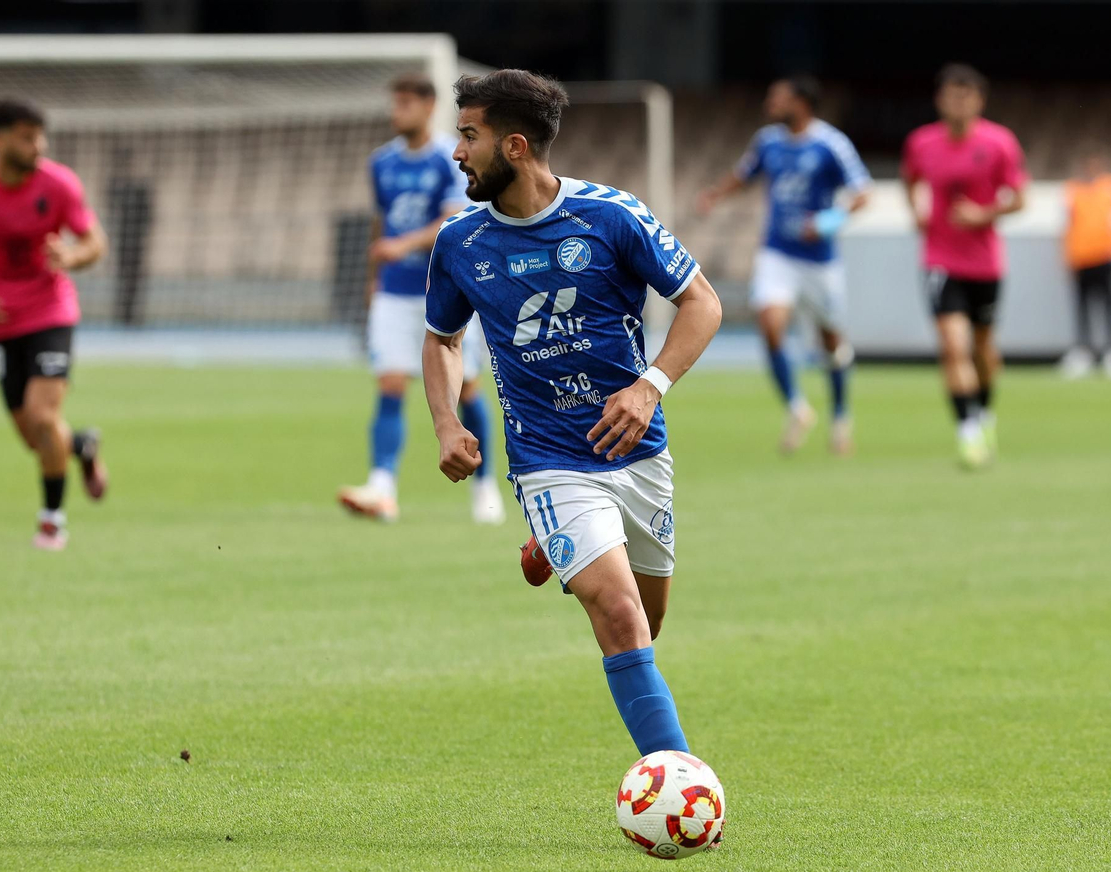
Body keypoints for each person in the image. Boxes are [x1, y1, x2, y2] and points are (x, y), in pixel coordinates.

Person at [422, 70, 724, 757]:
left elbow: (702, 301)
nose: (457, 151)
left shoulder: (611, 216)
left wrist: (649, 386)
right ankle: (674, 778)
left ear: (517, 146)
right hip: (548, 458)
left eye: (470, 135)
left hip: (636, 450)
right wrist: (446, 420)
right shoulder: (461, 242)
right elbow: (442, 339)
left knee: (647, 619)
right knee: (618, 614)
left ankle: (549, 545)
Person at [0, 99, 110, 551]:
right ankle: (82, 447)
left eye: (40, 136)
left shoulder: (60, 184)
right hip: (0, 322)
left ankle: (52, 521)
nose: (38, 146)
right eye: (28, 137)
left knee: (43, 417)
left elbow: (95, 242)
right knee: (35, 437)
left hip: (51, 313)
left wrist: (70, 257)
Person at [338, 73, 503, 525]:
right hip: (394, 292)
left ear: (429, 107)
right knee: (390, 383)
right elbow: (381, 221)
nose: (397, 113)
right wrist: (376, 277)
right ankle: (382, 486)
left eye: (406, 104)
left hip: (444, 292)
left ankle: (485, 485)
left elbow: (452, 220)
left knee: (466, 388)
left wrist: (402, 246)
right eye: (395, 104)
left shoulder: (450, 157)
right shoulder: (381, 162)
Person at [696, 75, 871, 456]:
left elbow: (862, 193)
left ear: (802, 103)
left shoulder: (831, 144)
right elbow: (745, 176)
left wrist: (828, 222)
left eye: (780, 97)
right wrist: (714, 195)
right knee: (771, 325)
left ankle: (841, 417)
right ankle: (797, 408)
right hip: (777, 252)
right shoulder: (768, 140)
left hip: (819, 261)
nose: (771, 103)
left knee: (831, 342)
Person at [901, 64, 1027, 469]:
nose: (957, 103)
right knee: (953, 345)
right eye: (951, 95)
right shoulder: (922, 142)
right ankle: (968, 431)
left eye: (966, 96)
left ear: (979, 101)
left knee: (983, 349)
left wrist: (983, 214)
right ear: (940, 100)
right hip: (940, 260)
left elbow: (1020, 199)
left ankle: (985, 413)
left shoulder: (999, 143)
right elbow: (910, 179)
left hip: (986, 263)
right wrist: (916, 212)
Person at [1060, 145, 1111, 380]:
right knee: (1082, 307)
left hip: (1106, 255)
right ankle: (1083, 352)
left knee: (1110, 306)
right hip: (1080, 257)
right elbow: (1066, 224)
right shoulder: (1072, 190)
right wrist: (1065, 256)